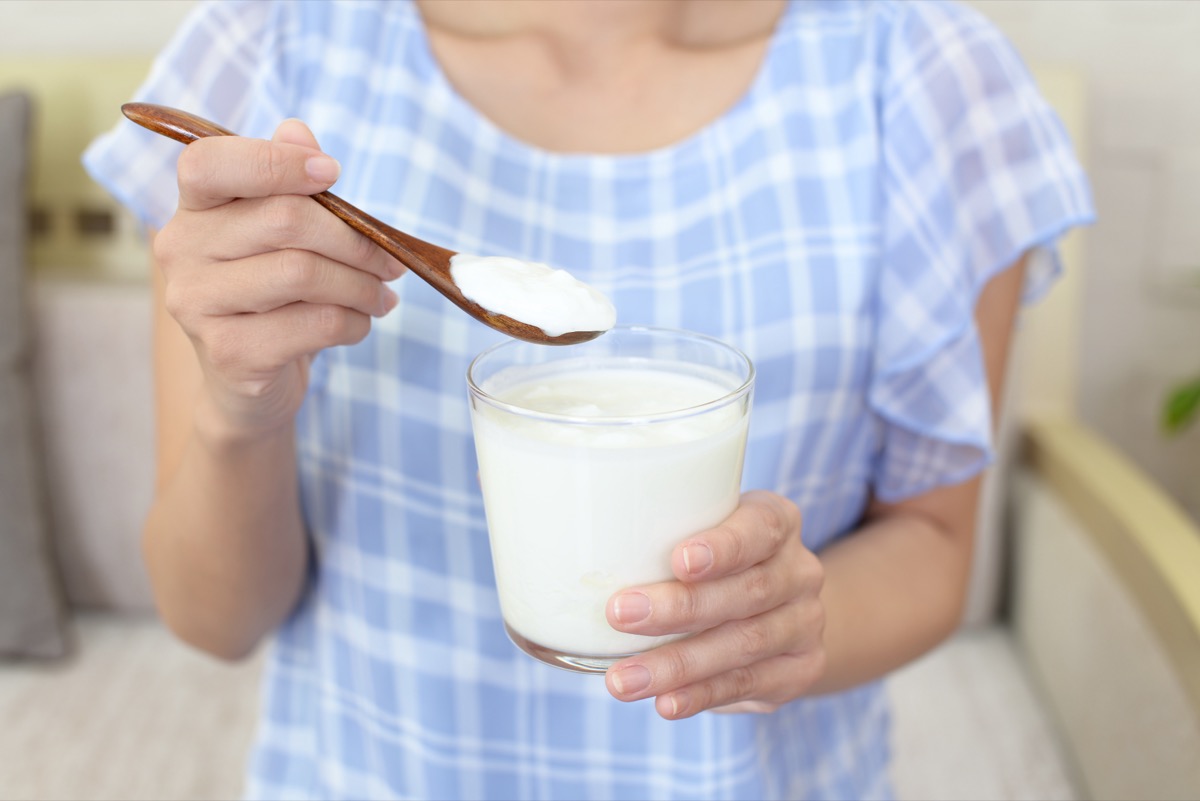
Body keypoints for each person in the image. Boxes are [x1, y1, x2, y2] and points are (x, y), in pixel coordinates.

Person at [84, 1, 1093, 798]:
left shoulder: (923, 75)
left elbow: (935, 543)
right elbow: (213, 619)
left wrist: (798, 620)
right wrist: (241, 409)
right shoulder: (267, 48)